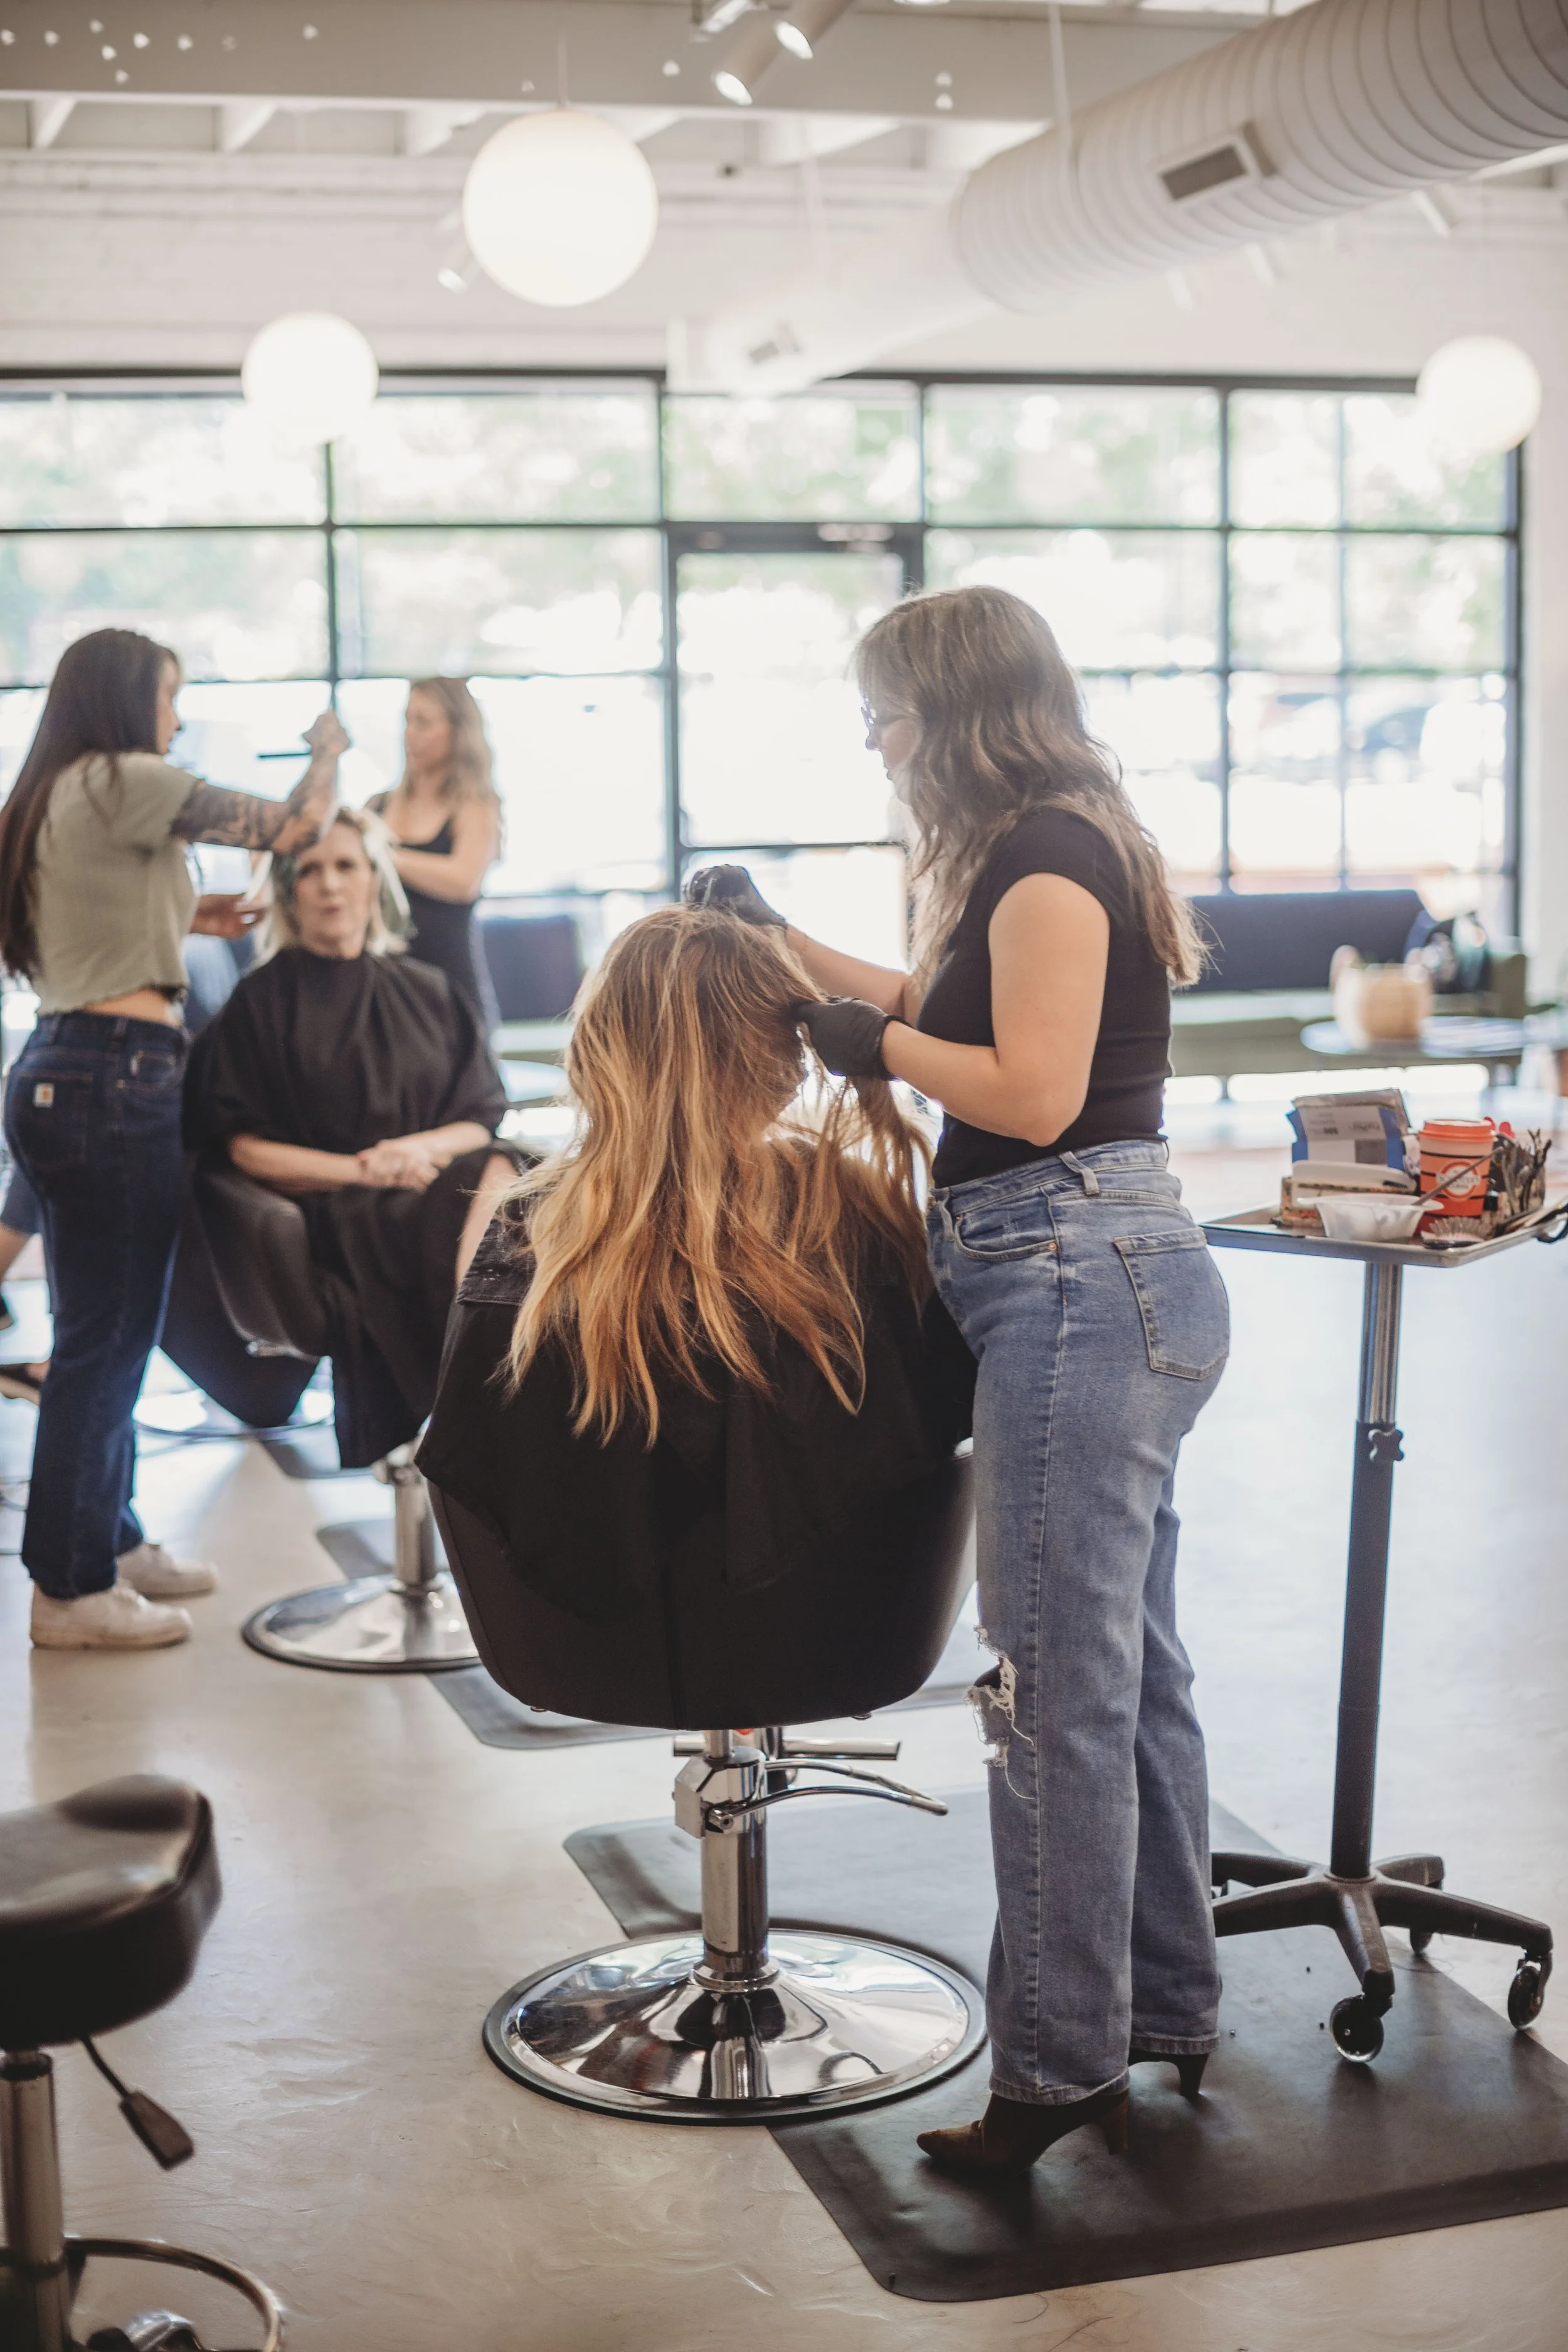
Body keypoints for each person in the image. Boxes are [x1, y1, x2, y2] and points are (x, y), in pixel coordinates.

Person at [685, 582, 1230, 2179]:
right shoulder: (1043, 846)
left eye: (883, 708)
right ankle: (1163, 2000)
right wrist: (773, 942)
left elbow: (1032, 1087)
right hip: (1086, 1275)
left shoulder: (1050, 852)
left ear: (951, 702)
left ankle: (1058, 2066)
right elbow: (951, 1010)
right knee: (1129, 1669)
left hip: (1075, 1273)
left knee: (1051, 1687)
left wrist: (864, 1046)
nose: (871, 736)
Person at [416, 905, 974, 1628]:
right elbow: (940, 1432)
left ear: (604, 1045)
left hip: (590, 1644)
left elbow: (471, 1457)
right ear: (783, 1055)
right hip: (837, 1630)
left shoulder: (537, 1226)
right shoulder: (861, 1213)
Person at [0, 625, 344, 1650]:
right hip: (115, 1079)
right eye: (167, 694)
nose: (178, 716)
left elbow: (92, 916)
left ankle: (111, 1537)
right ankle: (71, 1588)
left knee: (101, 1329)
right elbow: (289, 827)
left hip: (65, 1068)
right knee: (109, 1343)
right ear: (123, 698)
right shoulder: (128, 776)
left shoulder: (62, 790)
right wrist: (326, 749)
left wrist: (189, 924)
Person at [183, 807, 519, 1469]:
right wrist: (363, 1170)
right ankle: (481, 1393)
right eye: (311, 871)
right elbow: (243, 1149)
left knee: (516, 1172)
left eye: (347, 866)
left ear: (374, 880)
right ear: (288, 890)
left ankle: (493, 1372)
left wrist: (418, 1150)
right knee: (492, 1177)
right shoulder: (260, 1005)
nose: (331, 886)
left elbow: (479, 1115)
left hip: (436, 1181)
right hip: (339, 1217)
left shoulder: (429, 991)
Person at [366, 677, 501, 1024]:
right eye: (408, 721)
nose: (411, 734)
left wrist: (381, 854)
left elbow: (463, 881)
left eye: (424, 723)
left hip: (450, 984)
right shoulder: (378, 805)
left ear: (457, 730)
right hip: (383, 984)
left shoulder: (475, 806)